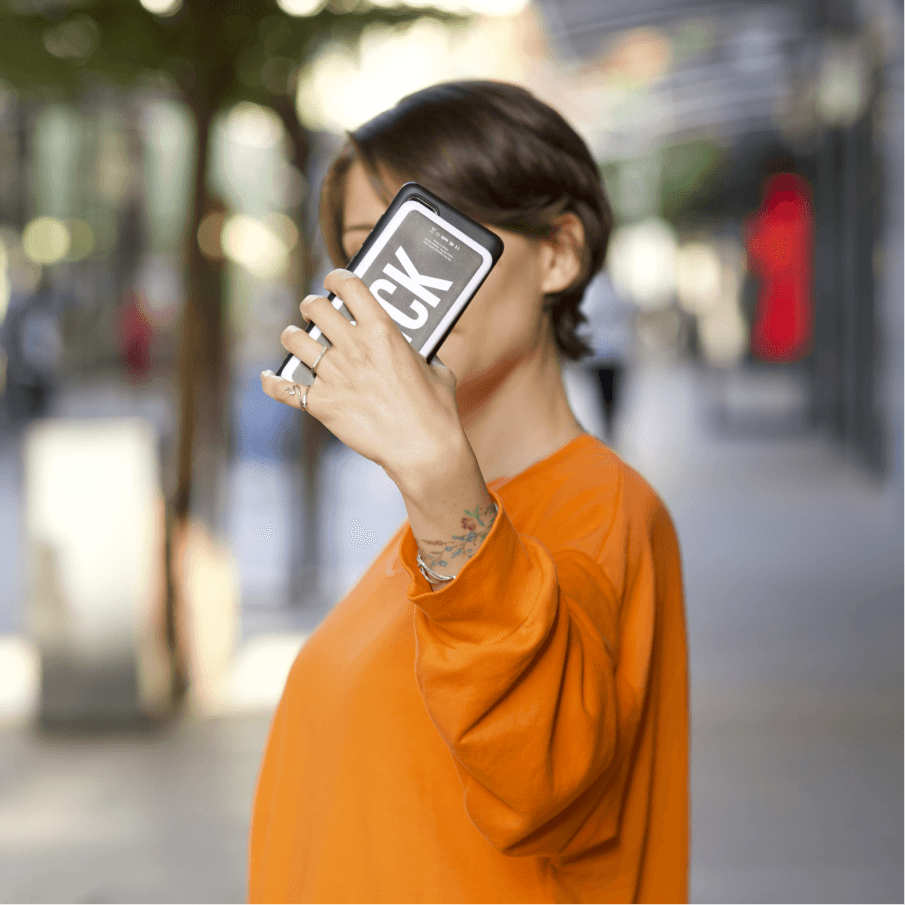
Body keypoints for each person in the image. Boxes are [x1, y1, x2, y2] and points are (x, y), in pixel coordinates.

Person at [254, 81, 688, 904]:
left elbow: (541, 771)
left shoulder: (606, 509)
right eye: (365, 248)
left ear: (558, 253)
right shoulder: (428, 526)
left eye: (430, 235)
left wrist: (436, 479)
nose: (401, 284)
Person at [579, 269, 636, 442]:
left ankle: (609, 428)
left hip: (608, 353)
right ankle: (608, 428)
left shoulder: (604, 289)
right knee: (608, 395)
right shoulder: (604, 289)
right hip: (605, 354)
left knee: (607, 395)